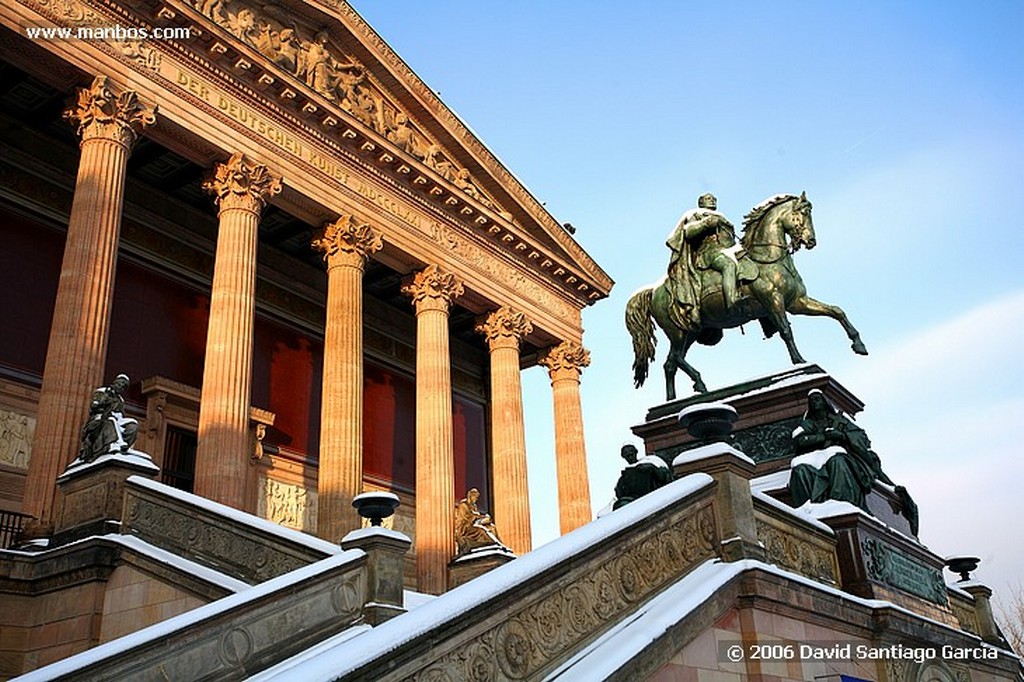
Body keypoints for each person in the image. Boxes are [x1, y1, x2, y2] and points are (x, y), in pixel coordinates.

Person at [788, 390, 892, 509]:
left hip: (839, 455)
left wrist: (842, 436)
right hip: (815, 460)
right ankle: (808, 510)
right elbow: (799, 440)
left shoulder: (839, 420)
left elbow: (861, 436)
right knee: (799, 470)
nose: (814, 403)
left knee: (837, 461)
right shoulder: (809, 424)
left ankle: (839, 505)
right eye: (811, 400)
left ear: (824, 402)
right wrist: (823, 437)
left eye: (817, 399)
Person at [665, 193, 740, 329]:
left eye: (713, 199)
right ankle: (732, 302)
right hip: (709, 253)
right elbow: (687, 232)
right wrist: (705, 223)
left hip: (728, 251)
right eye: (708, 199)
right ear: (700, 202)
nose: (711, 200)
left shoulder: (722, 217)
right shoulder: (695, 214)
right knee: (728, 266)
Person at [78, 374, 139, 463]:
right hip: (98, 418)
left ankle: (123, 446)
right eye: (120, 384)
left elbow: (121, 414)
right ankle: (115, 444)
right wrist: (106, 401)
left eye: (124, 387)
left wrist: (117, 415)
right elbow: (94, 406)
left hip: (116, 419)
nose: (121, 387)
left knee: (133, 425)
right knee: (110, 420)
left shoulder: (120, 400)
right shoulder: (102, 392)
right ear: (115, 383)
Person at [613, 444, 672, 509]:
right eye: (627, 456)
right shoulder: (624, 477)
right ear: (624, 457)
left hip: (651, 498)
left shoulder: (650, 462)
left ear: (636, 452)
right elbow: (619, 493)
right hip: (634, 502)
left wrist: (652, 468)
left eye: (631, 455)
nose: (630, 458)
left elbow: (664, 477)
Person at [454, 488, 506, 555]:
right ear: (470, 496)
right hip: (465, 527)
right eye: (475, 497)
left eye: (476, 497)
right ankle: (491, 544)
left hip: (473, 524)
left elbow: (475, 515)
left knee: (492, 528)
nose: (476, 499)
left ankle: (498, 544)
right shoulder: (463, 505)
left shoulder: (474, 506)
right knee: (481, 531)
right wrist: (477, 516)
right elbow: (465, 517)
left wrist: (482, 517)